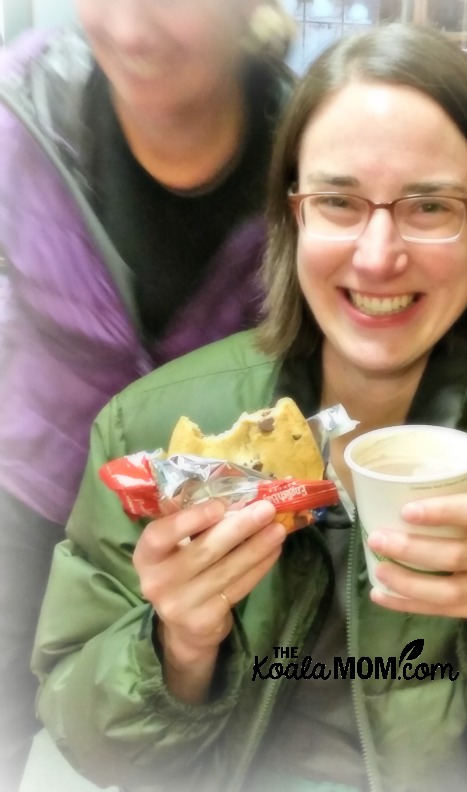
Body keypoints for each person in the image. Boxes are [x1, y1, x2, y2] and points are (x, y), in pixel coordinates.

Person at [31, 23, 467, 792]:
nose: (377, 256)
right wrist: (176, 643)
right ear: (295, 215)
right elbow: (87, 739)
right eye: (339, 200)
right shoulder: (148, 430)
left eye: (431, 207)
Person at [0, 1, 296, 788]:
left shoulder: (305, 150)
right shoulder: (23, 112)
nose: (131, 30)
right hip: (37, 497)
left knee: (184, 744)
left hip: (215, 514)